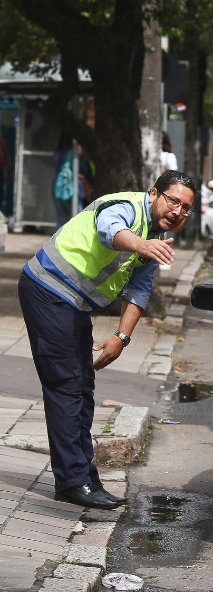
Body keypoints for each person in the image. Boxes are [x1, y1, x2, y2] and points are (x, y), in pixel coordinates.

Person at [19, 170, 196, 510]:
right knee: (67, 385)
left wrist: (122, 336)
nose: (178, 212)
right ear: (154, 192)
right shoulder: (125, 207)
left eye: (186, 208)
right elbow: (108, 231)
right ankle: (73, 481)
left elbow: (139, 290)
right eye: (174, 201)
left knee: (83, 388)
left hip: (73, 304)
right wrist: (142, 245)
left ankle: (82, 476)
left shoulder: (154, 235)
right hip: (46, 289)